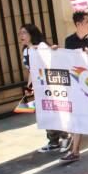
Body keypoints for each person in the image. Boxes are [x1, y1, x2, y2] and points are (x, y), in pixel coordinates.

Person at [58, 11, 88, 163]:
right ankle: (75, 151)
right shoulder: (69, 41)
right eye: (87, 22)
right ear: (78, 24)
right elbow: (66, 61)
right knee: (78, 117)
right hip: (78, 86)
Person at [21, 24, 68, 153]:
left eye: (24, 33)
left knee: (57, 110)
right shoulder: (26, 51)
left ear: (32, 34)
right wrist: (29, 86)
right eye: (21, 33)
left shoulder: (41, 47)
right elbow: (32, 70)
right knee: (46, 112)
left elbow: (50, 62)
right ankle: (53, 140)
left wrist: (48, 50)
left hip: (50, 85)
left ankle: (65, 137)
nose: (22, 36)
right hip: (39, 87)